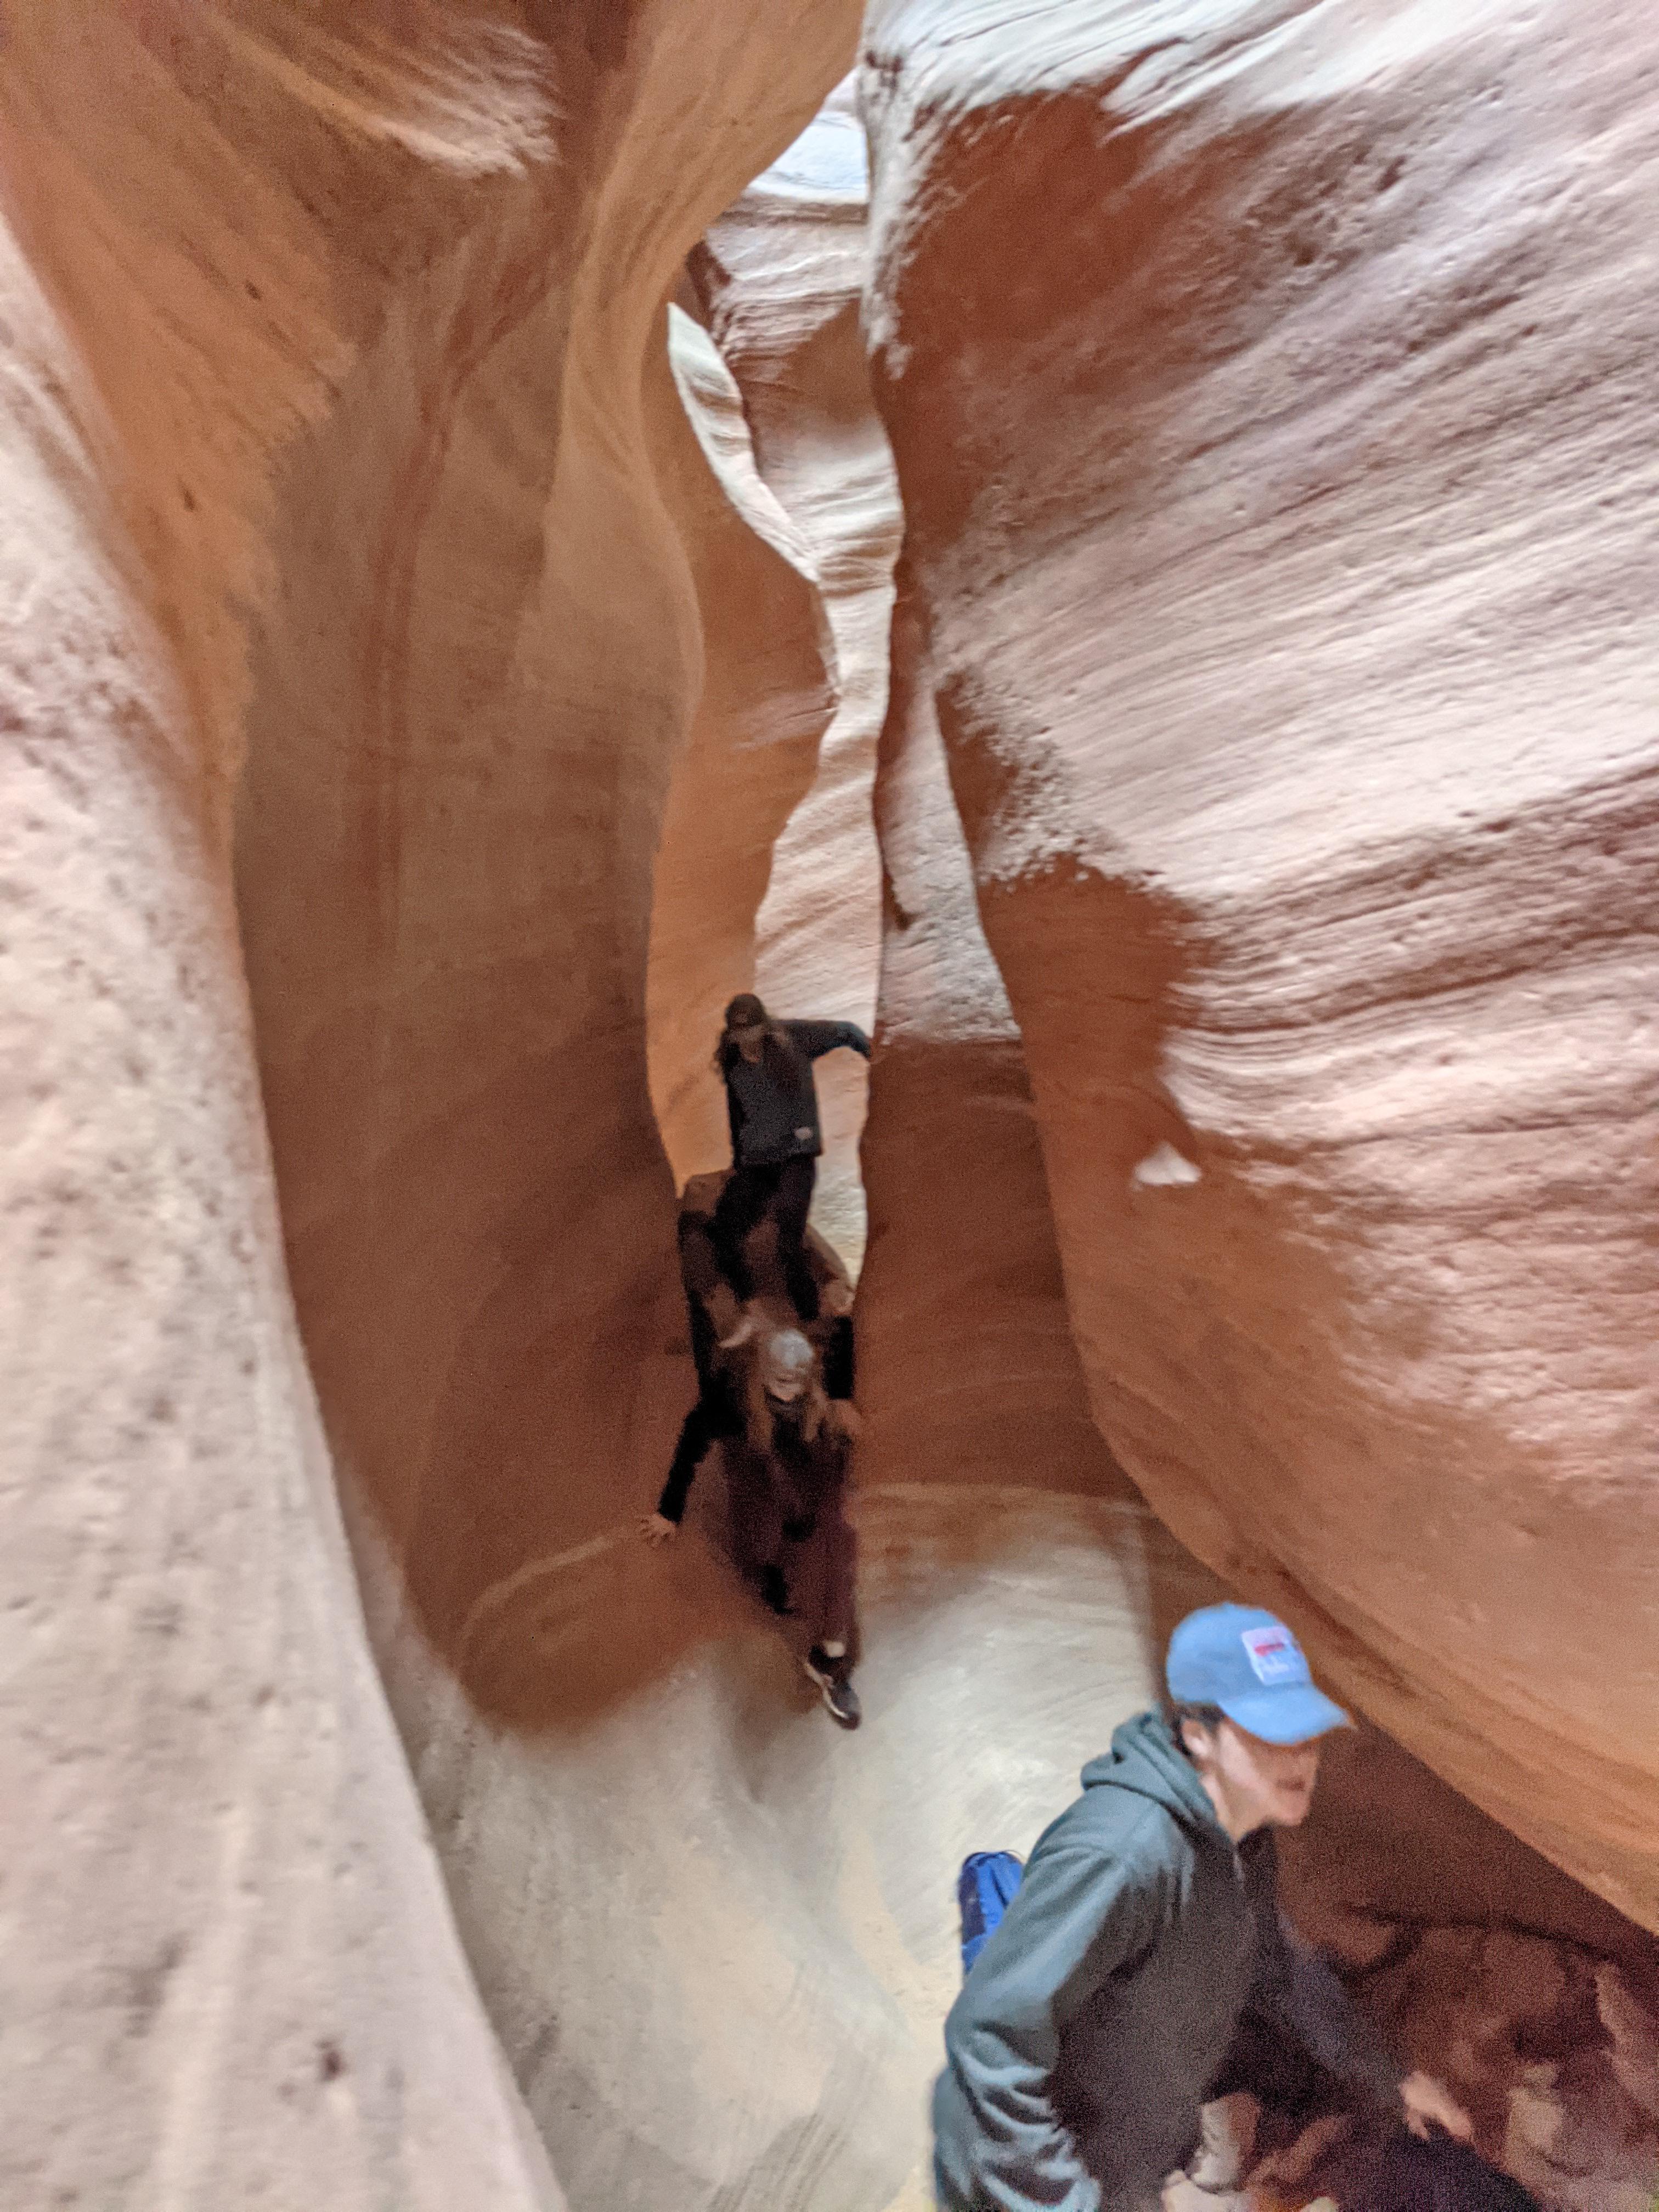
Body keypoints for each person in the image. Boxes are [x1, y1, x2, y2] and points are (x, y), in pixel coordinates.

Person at [932, 1604, 1472, 2212]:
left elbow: (1275, 1967)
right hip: (1046, 2170)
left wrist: (1388, 2073)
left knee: (1067, 1963)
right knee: (1012, 1973)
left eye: (1308, 1733)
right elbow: (988, 2041)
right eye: (1272, 1733)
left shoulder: (1245, 1839)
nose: (1300, 1758)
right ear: (1197, 1735)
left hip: (1125, 2145)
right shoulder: (1122, 1855)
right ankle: (993, 1891)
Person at [642, 1175, 863, 1727]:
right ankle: (765, 1577)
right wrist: (669, 1510)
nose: (787, 1391)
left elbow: (838, 1335)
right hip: (756, 1448)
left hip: (803, 1455)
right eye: (780, 1386)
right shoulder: (735, 1392)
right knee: (761, 1519)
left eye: (795, 1384)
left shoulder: (811, 1367)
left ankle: (830, 1658)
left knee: (833, 1531)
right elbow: (695, 1437)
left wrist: (842, 1371)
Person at [709, 991, 870, 1324]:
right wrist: (737, 1164)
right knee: (723, 1229)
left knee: (789, 1241)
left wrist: (873, 1055)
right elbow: (736, 1115)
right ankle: (752, 1313)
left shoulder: (793, 1038)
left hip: (796, 1159)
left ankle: (811, 1319)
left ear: (763, 1026)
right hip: (757, 1163)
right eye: (738, 1032)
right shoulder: (732, 1060)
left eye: (750, 1029)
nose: (745, 1038)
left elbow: (845, 1031)